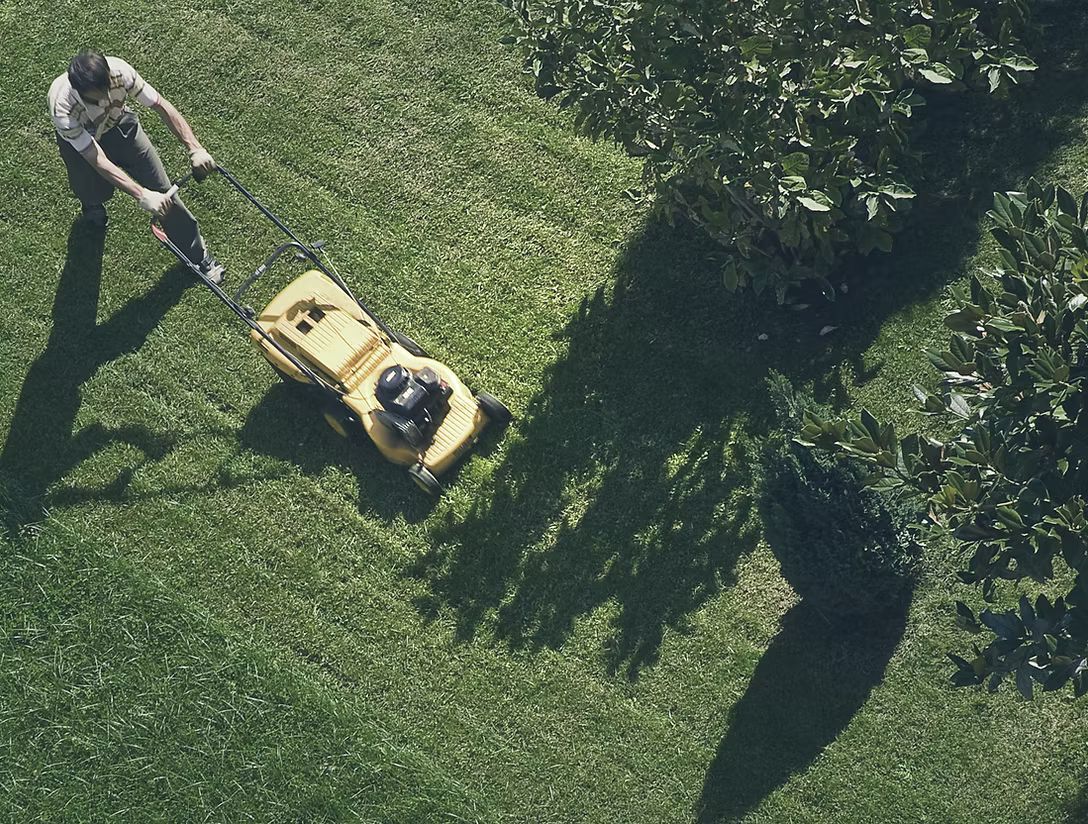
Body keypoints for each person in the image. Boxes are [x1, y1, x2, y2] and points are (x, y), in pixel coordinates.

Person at [48, 50, 224, 283]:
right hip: (82, 144)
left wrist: (195, 147)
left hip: (121, 127)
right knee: (90, 188)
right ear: (78, 91)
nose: (104, 100)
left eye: (106, 91)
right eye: (95, 98)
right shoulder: (62, 106)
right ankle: (92, 206)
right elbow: (97, 158)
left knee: (163, 191)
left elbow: (161, 105)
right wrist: (141, 195)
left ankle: (196, 255)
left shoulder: (121, 71)